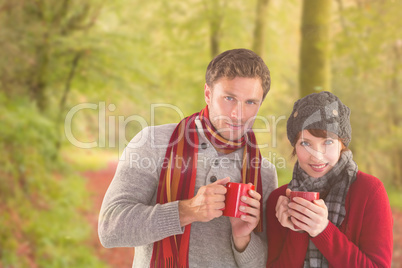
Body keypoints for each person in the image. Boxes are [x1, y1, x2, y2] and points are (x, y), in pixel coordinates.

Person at [98, 48, 278, 267]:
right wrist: (187, 211)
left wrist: (243, 239)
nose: (238, 114)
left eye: (250, 102)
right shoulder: (153, 142)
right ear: (208, 94)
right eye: (229, 98)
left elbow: (264, 264)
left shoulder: (264, 173)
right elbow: (110, 229)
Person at [266, 91, 393, 267]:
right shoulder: (279, 201)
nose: (317, 156)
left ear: (342, 143)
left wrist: (323, 231)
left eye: (327, 142)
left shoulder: (369, 192)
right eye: (305, 143)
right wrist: (297, 229)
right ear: (294, 145)